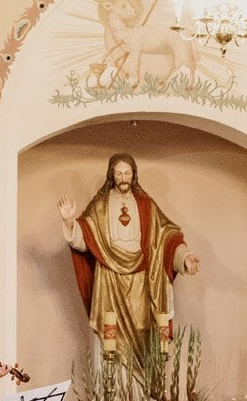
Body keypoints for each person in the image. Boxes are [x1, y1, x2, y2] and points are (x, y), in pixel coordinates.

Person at [57, 153, 199, 363]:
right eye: (119, 173)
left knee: (142, 341)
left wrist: (184, 256)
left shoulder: (145, 204)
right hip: (110, 279)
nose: (123, 178)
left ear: (134, 175)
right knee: (110, 346)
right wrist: (70, 222)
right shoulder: (100, 205)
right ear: (111, 175)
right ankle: (111, 392)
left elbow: (167, 235)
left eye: (127, 173)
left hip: (141, 282)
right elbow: (85, 241)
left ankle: (142, 393)